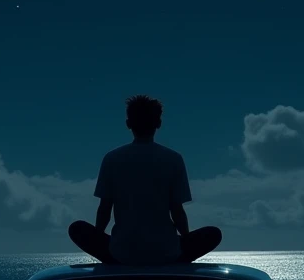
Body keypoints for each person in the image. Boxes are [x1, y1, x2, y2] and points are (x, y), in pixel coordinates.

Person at [69, 94, 222, 265]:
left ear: (128, 124)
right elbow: (177, 210)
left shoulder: (112, 159)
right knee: (213, 234)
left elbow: (104, 209)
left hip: (121, 253)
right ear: (159, 124)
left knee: (77, 229)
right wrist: (185, 240)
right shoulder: (173, 159)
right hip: (167, 252)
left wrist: (97, 239)